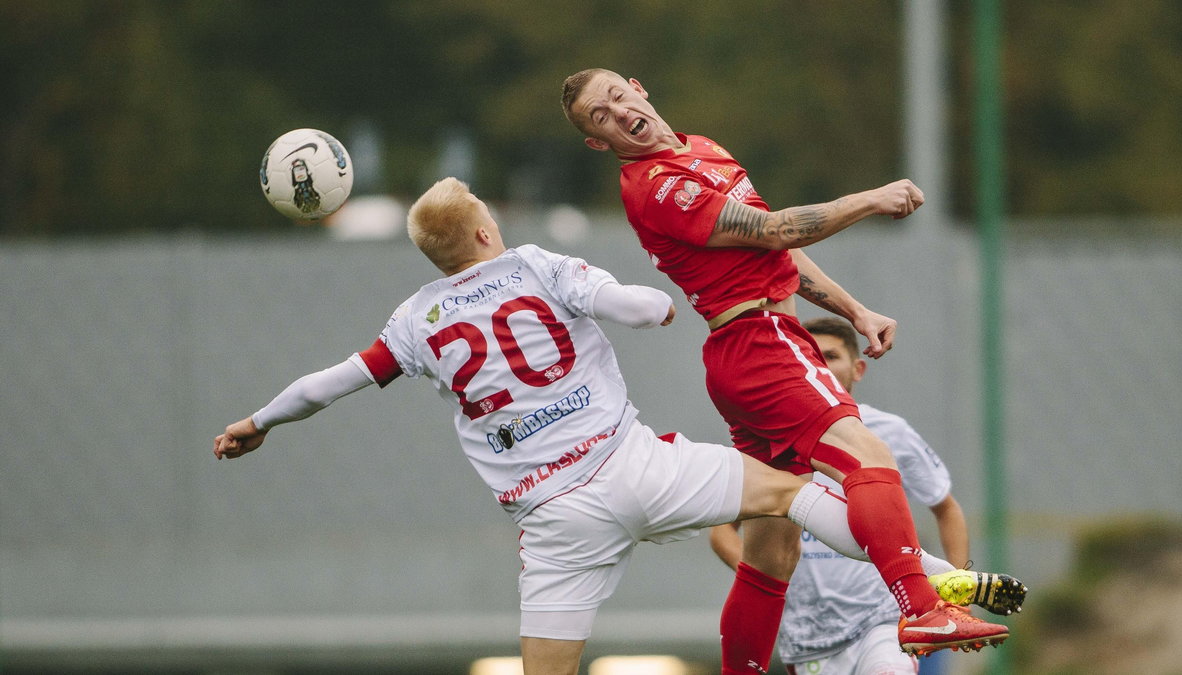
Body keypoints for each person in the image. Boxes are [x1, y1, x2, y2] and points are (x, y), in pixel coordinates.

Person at [213, 177, 945, 675]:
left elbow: (331, 382)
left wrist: (260, 420)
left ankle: (923, 580)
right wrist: (654, 307)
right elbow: (625, 301)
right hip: (633, 464)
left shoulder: (415, 320)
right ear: (483, 228)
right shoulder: (532, 263)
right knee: (788, 495)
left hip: (555, 517)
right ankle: (925, 577)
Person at [560, 68, 1021, 672]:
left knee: (771, 554)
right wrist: (868, 199)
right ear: (598, 141)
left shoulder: (702, 150)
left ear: (639, 88)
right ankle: (921, 605)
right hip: (760, 344)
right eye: (601, 117)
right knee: (870, 457)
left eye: (618, 97)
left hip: (756, 346)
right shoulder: (655, 186)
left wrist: (853, 310)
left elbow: (776, 247)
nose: (618, 113)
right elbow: (772, 228)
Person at [711, 317, 1025, 674]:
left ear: (858, 368)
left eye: (830, 356)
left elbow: (946, 507)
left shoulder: (889, 432)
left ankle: (936, 589)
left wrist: (956, 594)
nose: (820, 366)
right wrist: (774, 581)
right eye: (809, 357)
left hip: (884, 618)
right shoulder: (767, 436)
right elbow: (722, 531)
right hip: (811, 632)